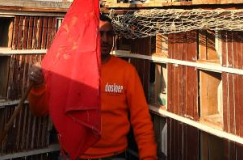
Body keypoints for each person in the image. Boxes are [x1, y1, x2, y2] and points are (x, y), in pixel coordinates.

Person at [28, 14, 157, 160]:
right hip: (73, 154)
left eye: (110, 34)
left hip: (114, 155)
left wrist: (149, 156)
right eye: (99, 34)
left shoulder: (126, 71)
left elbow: (141, 120)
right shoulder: (68, 69)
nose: (105, 40)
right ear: (88, 36)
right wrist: (38, 85)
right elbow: (39, 111)